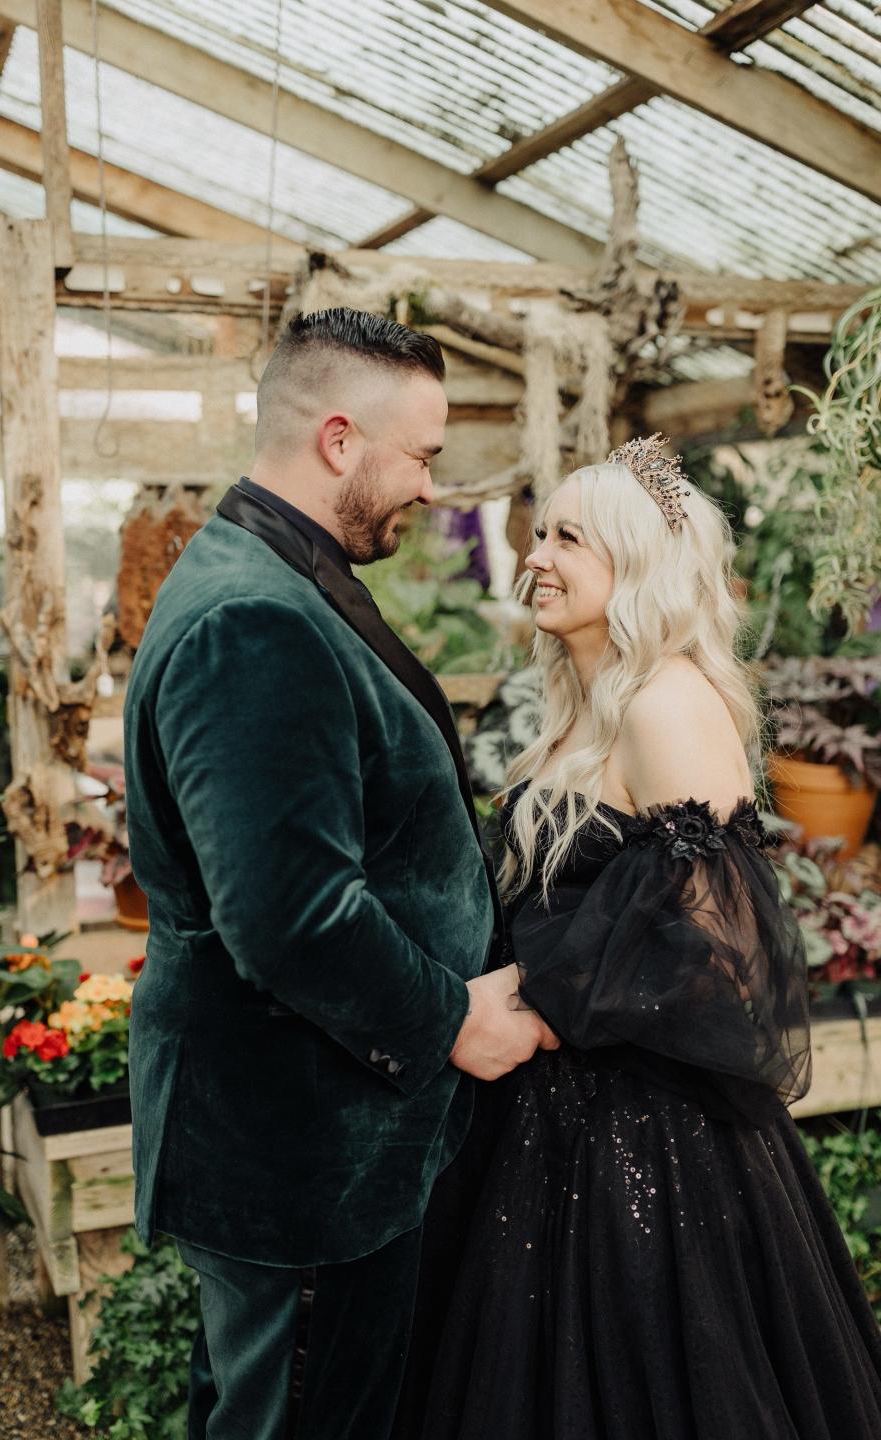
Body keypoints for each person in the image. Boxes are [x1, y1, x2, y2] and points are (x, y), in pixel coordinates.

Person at [123, 307, 556, 1440]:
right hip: (299, 1144)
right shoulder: (255, 619)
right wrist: (452, 1023)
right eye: (419, 455)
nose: (429, 488)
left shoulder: (272, 573)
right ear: (336, 439)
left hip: (316, 1129)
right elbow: (290, 914)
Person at [396, 435, 881, 1440]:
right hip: (548, 1119)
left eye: (567, 537)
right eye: (538, 533)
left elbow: (717, 936)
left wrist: (536, 994)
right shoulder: (587, 704)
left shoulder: (666, 703)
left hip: (650, 1139)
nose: (536, 556)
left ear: (634, 565)